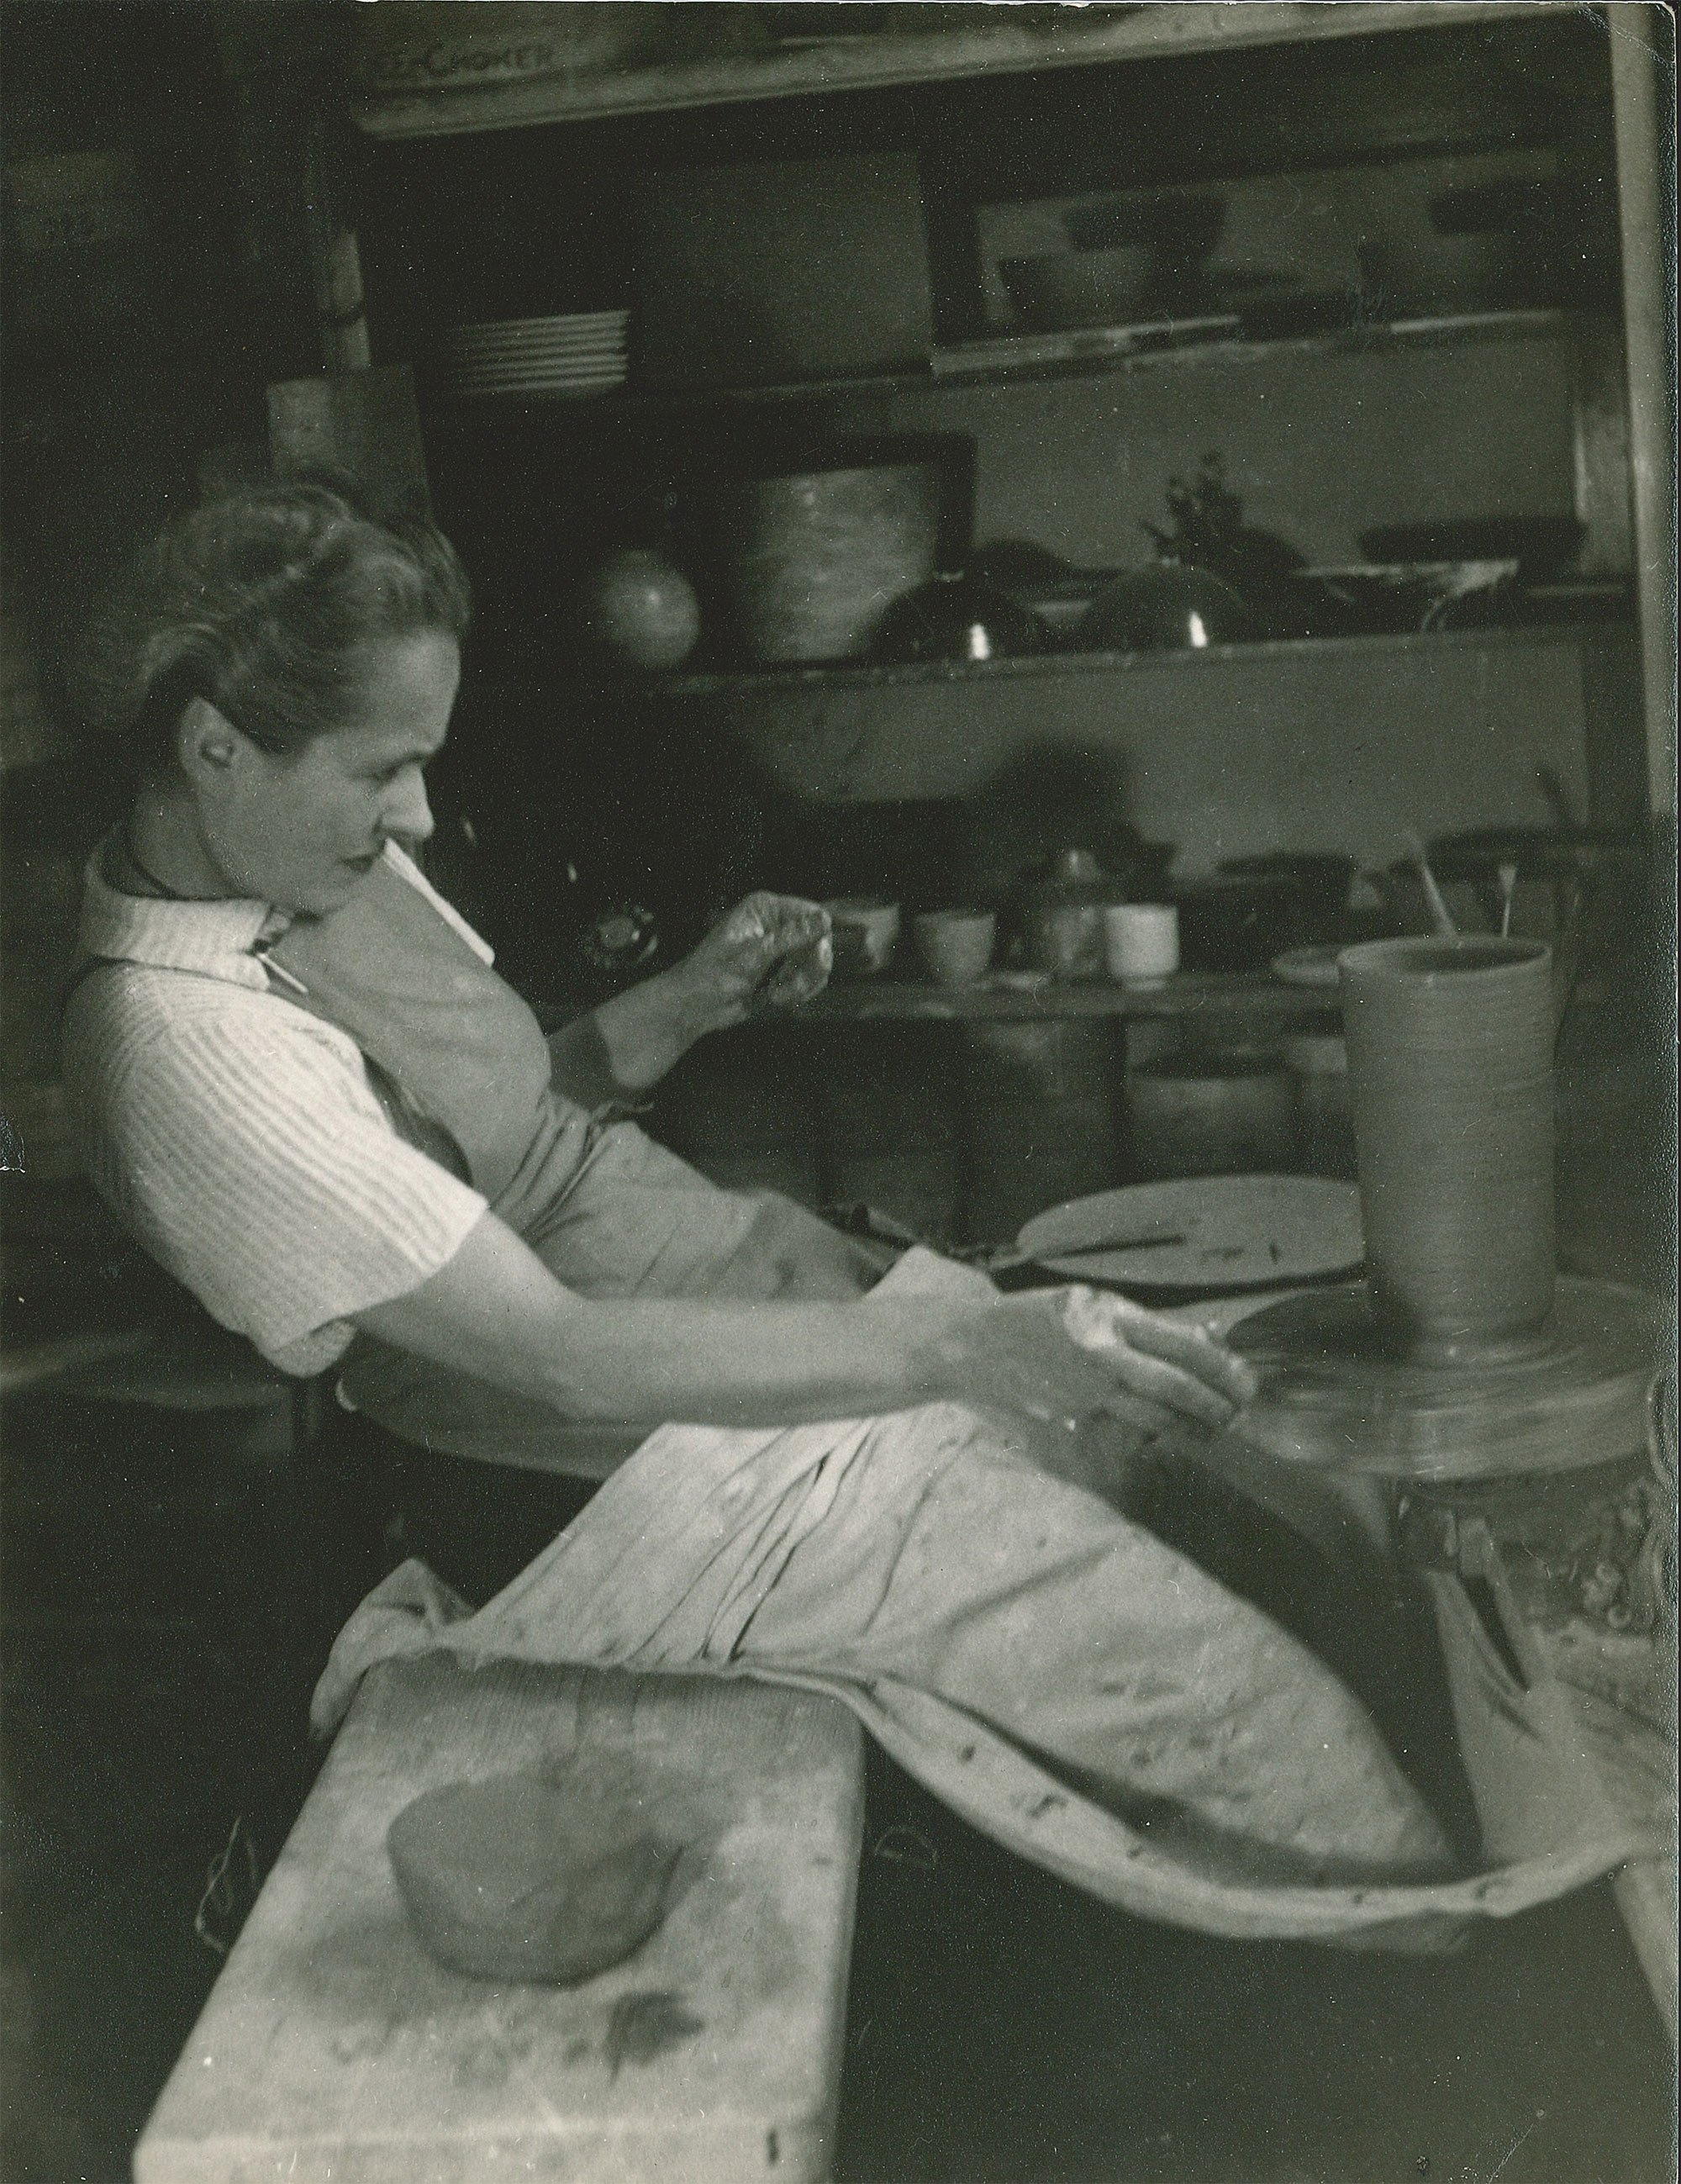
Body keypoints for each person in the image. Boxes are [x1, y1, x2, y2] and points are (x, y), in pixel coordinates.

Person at [65, 483, 1622, 1948]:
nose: (415, 813)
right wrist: (958, 1352)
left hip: (707, 1339)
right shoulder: (186, 1049)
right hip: (605, 1486)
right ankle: (1463, 1973)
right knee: (1231, 1691)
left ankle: (1496, 1846)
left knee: (1255, 1485)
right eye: (378, 770)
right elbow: (556, 1356)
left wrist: (690, 998)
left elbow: (494, 1119)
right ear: (214, 746)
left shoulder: (286, 855)